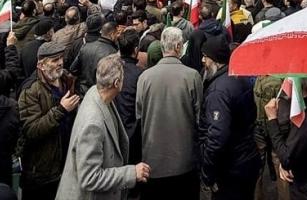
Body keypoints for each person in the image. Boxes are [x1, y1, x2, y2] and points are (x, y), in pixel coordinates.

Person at [56, 54, 151, 199]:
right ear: (117, 83)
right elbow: (89, 178)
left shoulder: (96, 92)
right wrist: (131, 173)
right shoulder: (93, 124)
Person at [136, 27, 203, 199]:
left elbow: (139, 115)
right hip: (184, 161)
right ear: (179, 47)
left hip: (152, 160)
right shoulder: (192, 76)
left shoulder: (145, 77)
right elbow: (199, 118)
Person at [199, 35, 260, 199]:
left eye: (205, 56)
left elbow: (217, 137)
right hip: (246, 160)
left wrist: (207, 174)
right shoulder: (238, 77)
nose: (203, 60)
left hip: (231, 168)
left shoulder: (218, 92)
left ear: (215, 60)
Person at [18, 41, 81, 200]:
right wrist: (61, 110)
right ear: (41, 65)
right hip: (41, 171)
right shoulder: (30, 91)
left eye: (61, 58)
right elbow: (31, 130)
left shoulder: (67, 79)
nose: (60, 62)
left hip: (64, 162)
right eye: (54, 60)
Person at [113, 29, 143, 165]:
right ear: (136, 50)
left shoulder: (111, 70)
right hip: (133, 134)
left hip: (114, 131)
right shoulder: (140, 75)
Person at [71, 21, 118, 95]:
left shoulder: (86, 46)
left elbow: (73, 69)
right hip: (99, 94)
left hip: (82, 92)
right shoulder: (113, 54)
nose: (117, 36)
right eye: (116, 34)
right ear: (112, 34)